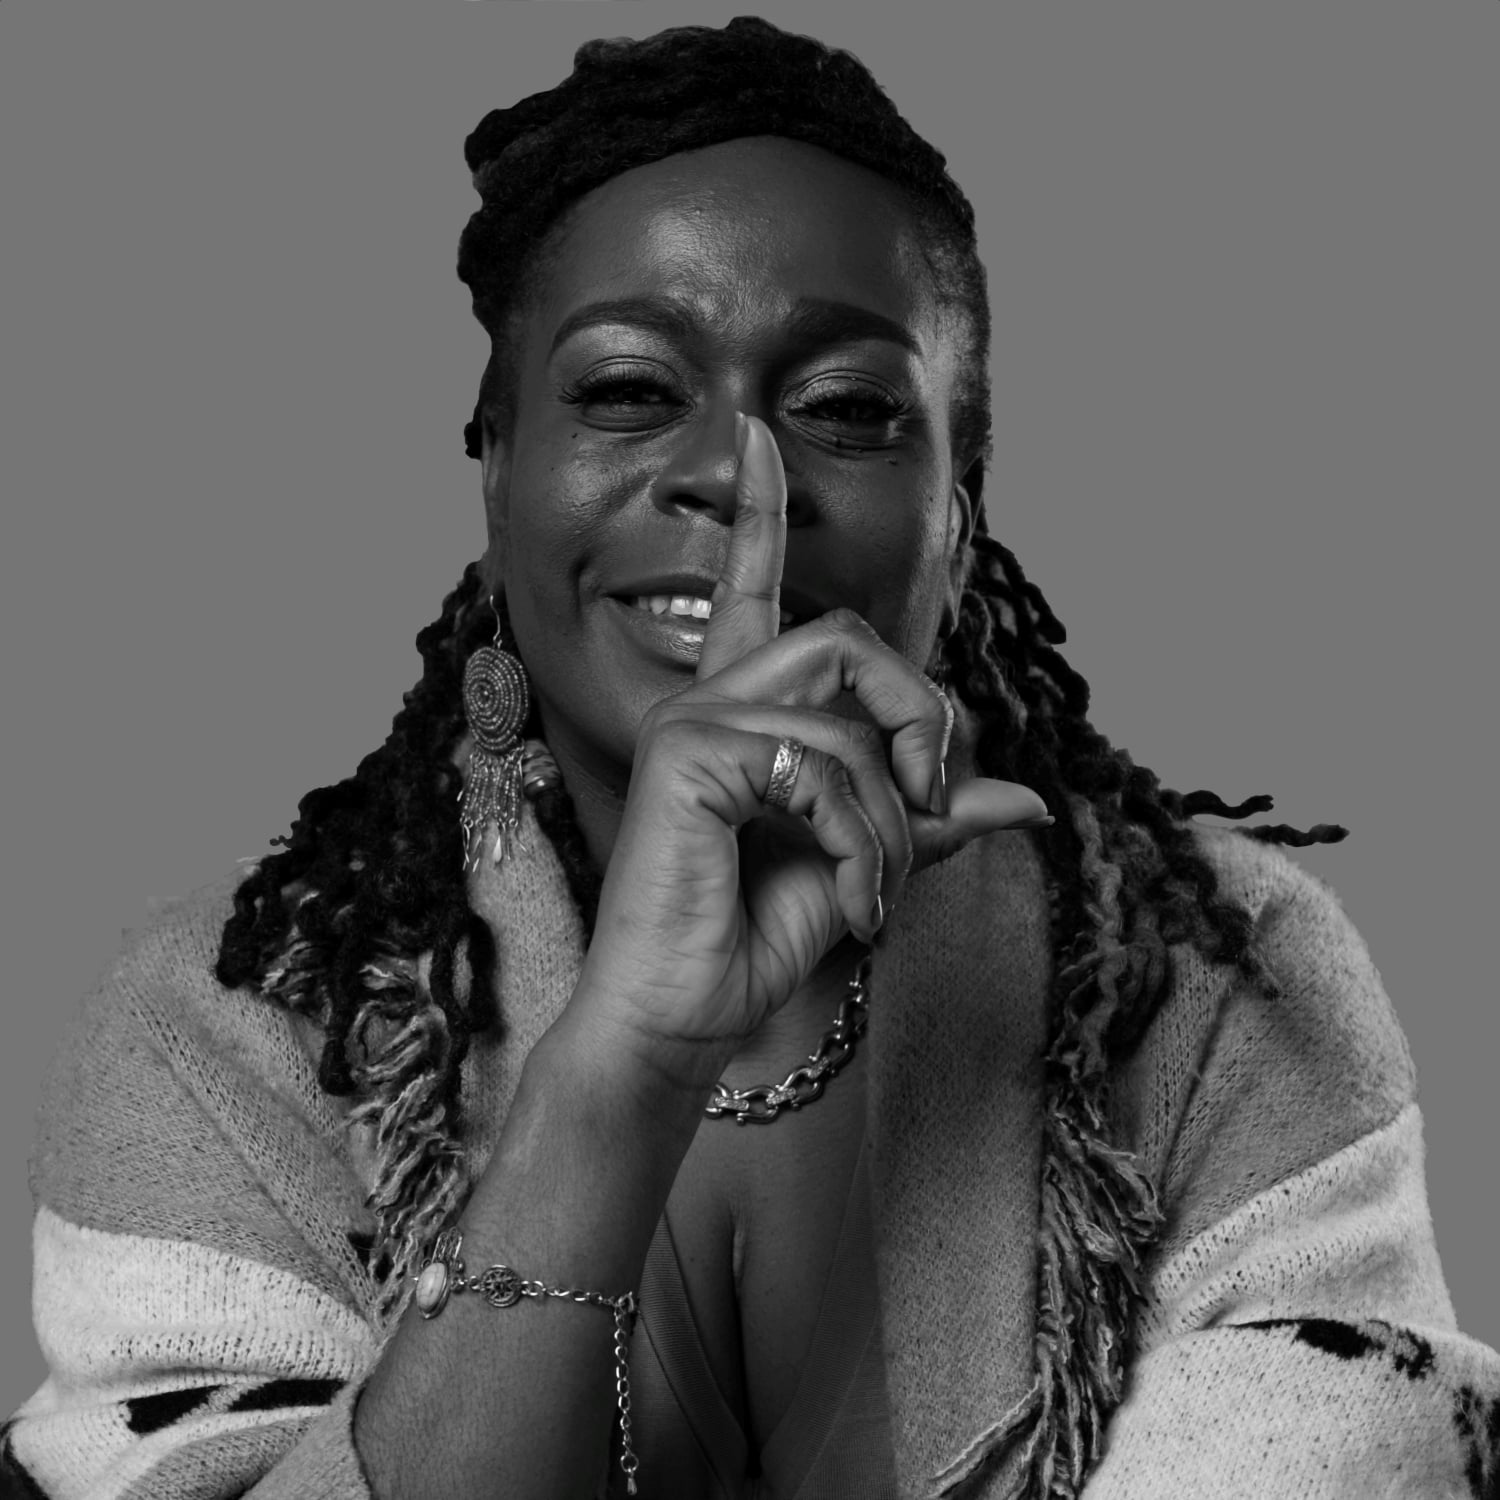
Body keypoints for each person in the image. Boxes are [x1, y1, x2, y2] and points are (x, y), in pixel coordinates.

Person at [3, 16, 1497, 1500]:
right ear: (500, 472)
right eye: (627, 391)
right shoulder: (220, 1042)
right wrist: (623, 1066)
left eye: (845, 409)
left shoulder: (1229, 992)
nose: (733, 473)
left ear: (959, 510)